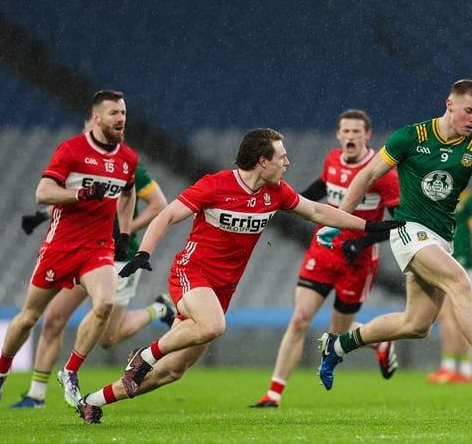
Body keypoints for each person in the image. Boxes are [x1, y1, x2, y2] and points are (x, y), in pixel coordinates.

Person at [74, 128, 403, 424]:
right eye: (281, 156)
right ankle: (143, 357)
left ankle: (93, 401)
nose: (288, 161)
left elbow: (317, 210)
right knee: (213, 326)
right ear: (263, 161)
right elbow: (168, 214)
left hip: (223, 289)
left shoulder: (276, 192)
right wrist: (143, 253)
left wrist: (368, 226)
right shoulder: (216, 185)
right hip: (191, 272)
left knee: (172, 371)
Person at [316, 79, 472, 393]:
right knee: (460, 282)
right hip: (409, 231)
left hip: (441, 239)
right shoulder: (411, 137)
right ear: (449, 105)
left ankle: (337, 345)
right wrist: (338, 219)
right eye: (469, 110)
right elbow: (367, 175)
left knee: (416, 324)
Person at [0, 90, 138, 411]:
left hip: (98, 248)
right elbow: (43, 193)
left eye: (123, 113)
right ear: (97, 118)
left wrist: (124, 232)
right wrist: (79, 194)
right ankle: (0, 373)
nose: (121, 118)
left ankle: (70, 372)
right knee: (29, 318)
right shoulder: (71, 150)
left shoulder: (128, 158)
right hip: (61, 247)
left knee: (105, 303)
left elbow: (128, 193)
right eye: (114, 113)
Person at [252, 110, 400, 408]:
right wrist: (285, 203)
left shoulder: (382, 172)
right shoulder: (332, 159)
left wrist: (361, 243)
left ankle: (378, 340)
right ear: (338, 134)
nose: (350, 136)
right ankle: (273, 394)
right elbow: (320, 188)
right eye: (346, 131)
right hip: (323, 250)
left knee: (337, 333)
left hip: (357, 262)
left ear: (367, 135)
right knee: (299, 319)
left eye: (356, 131)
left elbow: (398, 223)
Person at [11, 158, 173, 409]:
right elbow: (79, 199)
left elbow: (159, 204)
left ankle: (160, 309)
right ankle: (36, 396)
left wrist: (124, 231)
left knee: (108, 338)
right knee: (54, 317)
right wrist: (42, 215)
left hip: (119, 256)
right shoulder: (86, 160)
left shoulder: (129, 166)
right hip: (86, 251)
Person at [426, 187, 472, 384]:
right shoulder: (446, 197)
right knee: (451, 316)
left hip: (460, 263)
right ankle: (460, 367)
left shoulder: (468, 200)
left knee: (451, 316)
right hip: (446, 261)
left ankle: (454, 366)